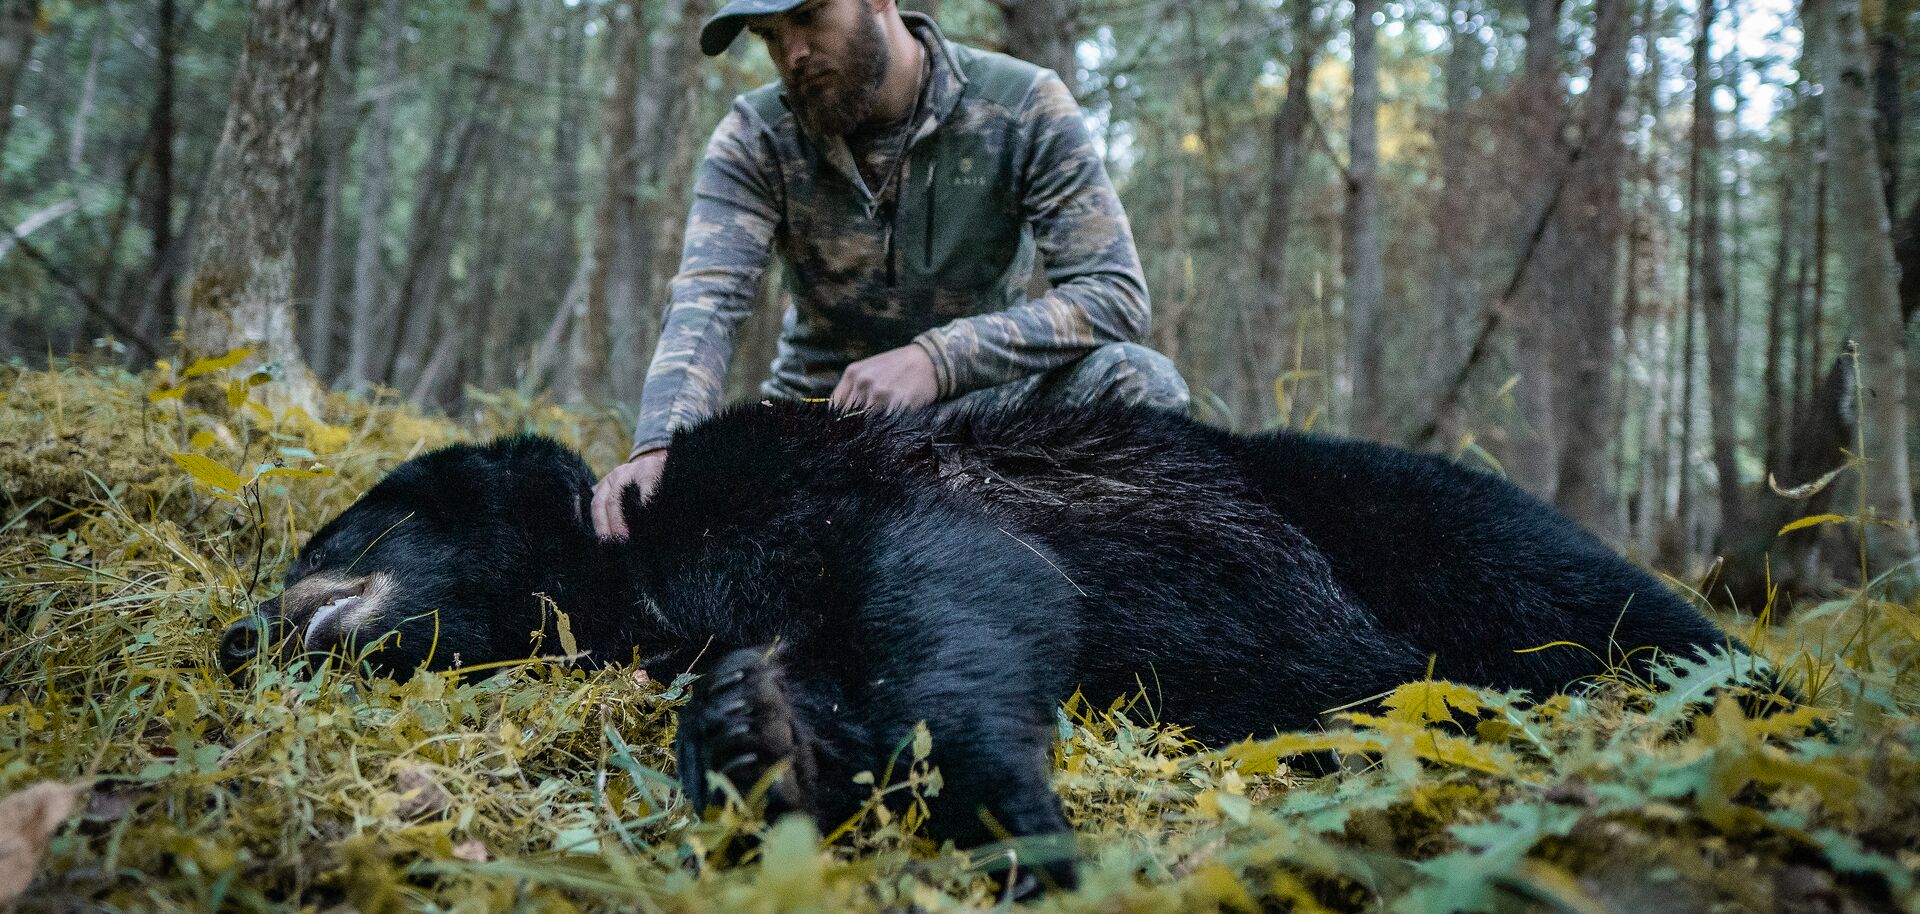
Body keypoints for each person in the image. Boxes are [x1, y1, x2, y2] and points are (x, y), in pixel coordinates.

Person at [591, 0, 1189, 538]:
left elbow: (1114, 292)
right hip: (820, 431)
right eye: (769, 35)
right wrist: (661, 445)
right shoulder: (756, 136)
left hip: (988, 422)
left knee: (1138, 382)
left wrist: (940, 359)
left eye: (808, 17)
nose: (792, 53)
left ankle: (1113, 609)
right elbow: (707, 301)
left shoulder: (1021, 104)